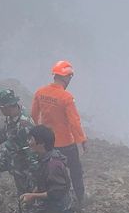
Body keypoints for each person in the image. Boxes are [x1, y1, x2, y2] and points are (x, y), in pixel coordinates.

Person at [31, 60, 88, 205]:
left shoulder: (40, 92)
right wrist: (82, 140)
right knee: (75, 171)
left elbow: (34, 115)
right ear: (67, 77)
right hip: (65, 143)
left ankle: (44, 198)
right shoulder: (66, 97)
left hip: (47, 143)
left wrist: (38, 135)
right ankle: (80, 199)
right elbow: (74, 121)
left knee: (47, 170)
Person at [21, 125, 74, 213]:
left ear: (41, 143)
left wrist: (33, 196)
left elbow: (55, 193)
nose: (29, 142)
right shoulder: (45, 159)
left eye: (31, 139)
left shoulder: (53, 165)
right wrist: (35, 190)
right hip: (54, 209)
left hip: (60, 211)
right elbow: (45, 182)